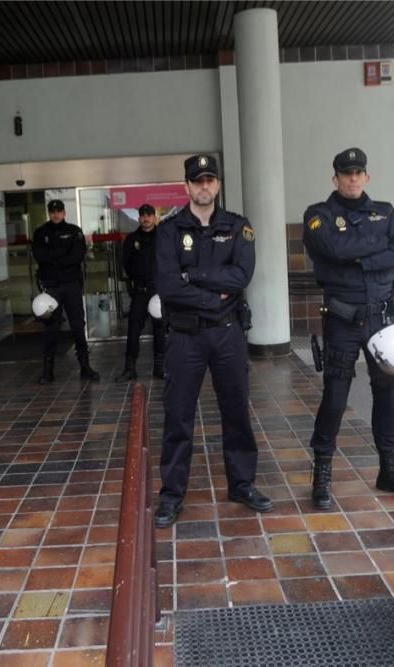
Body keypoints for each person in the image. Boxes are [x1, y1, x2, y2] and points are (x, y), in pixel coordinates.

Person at [153, 154, 272, 528]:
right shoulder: (168, 232)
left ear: (218, 185)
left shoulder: (238, 227)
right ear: (186, 186)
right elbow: (168, 285)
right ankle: (172, 495)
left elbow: (241, 276)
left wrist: (194, 277)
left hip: (227, 335)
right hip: (185, 337)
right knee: (178, 417)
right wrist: (210, 296)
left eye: (209, 180)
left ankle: (241, 483)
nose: (204, 186)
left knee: (236, 411)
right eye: (197, 180)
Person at [302, 147, 394, 511]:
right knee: (335, 396)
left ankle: (388, 468)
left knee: (389, 392)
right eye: (345, 173)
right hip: (343, 320)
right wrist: (374, 251)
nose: (352, 178)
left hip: (383, 318)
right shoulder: (318, 216)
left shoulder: (386, 211)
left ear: (367, 177)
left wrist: (357, 259)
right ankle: (321, 474)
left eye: (358, 172)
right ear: (335, 179)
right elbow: (332, 249)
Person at [31, 199, 100, 384]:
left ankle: (85, 367)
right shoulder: (41, 232)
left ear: (64, 213)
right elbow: (39, 255)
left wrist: (52, 258)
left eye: (59, 211)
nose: (56, 214)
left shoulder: (74, 231)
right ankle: (47, 371)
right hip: (51, 286)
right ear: (49, 212)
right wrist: (62, 254)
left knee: (78, 325)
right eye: (52, 211)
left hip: (71, 286)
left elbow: (77, 256)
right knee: (51, 328)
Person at [116, 203, 166, 382]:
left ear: (154, 217)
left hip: (157, 291)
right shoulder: (132, 239)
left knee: (159, 329)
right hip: (139, 290)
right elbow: (126, 264)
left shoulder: (163, 236)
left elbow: (170, 261)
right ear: (139, 218)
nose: (146, 218)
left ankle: (160, 367)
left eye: (149, 215)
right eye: (142, 215)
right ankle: (130, 368)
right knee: (133, 329)